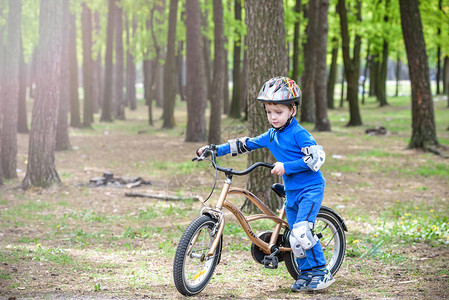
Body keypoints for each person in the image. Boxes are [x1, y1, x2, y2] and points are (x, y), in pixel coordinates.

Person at [197, 76, 334, 292]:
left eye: (278, 112)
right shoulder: (272, 136)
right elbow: (245, 144)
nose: (273, 117)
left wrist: (286, 166)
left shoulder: (299, 134)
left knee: (301, 231)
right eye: (269, 112)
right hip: (292, 191)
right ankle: (306, 273)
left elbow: (316, 159)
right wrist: (215, 149)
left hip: (310, 189)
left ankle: (322, 271)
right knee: (293, 236)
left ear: (293, 111)